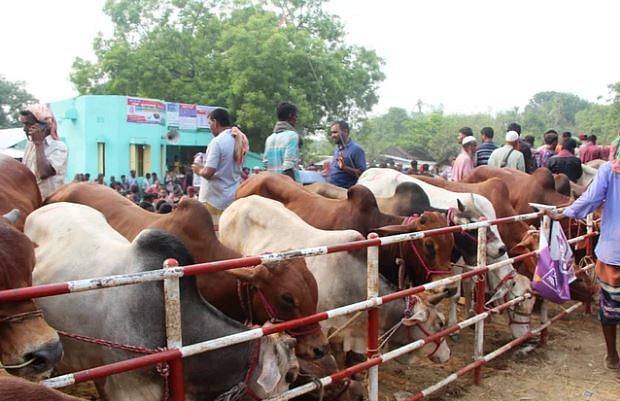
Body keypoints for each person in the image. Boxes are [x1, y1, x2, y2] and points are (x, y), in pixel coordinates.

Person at [546, 159, 620, 379]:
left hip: (613, 250)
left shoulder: (610, 169)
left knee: (610, 307)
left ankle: (612, 357)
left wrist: (564, 213)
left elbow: (592, 197)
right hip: (613, 250)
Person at [191, 108, 242, 225]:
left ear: (215, 122)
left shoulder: (217, 142)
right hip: (232, 197)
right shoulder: (238, 139)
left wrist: (198, 169)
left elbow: (208, 173)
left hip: (214, 200)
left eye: (209, 123)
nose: (209, 127)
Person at [19, 104, 68, 200]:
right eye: (24, 124)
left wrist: (39, 145)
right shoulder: (30, 145)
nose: (25, 129)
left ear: (44, 126)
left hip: (50, 202)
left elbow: (44, 173)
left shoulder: (59, 147)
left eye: (28, 124)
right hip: (30, 199)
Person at [264, 101, 300, 181]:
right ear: (291, 116)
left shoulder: (269, 138)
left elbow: (266, 164)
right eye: (296, 116)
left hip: (272, 185)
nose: (297, 119)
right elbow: (288, 166)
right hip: (286, 187)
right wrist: (294, 189)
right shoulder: (292, 135)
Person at [326, 120, 367, 188]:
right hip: (330, 186)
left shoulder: (356, 149)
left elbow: (363, 174)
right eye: (332, 133)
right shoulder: (337, 148)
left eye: (335, 132)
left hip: (343, 191)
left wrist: (345, 168)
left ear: (345, 132)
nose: (332, 135)